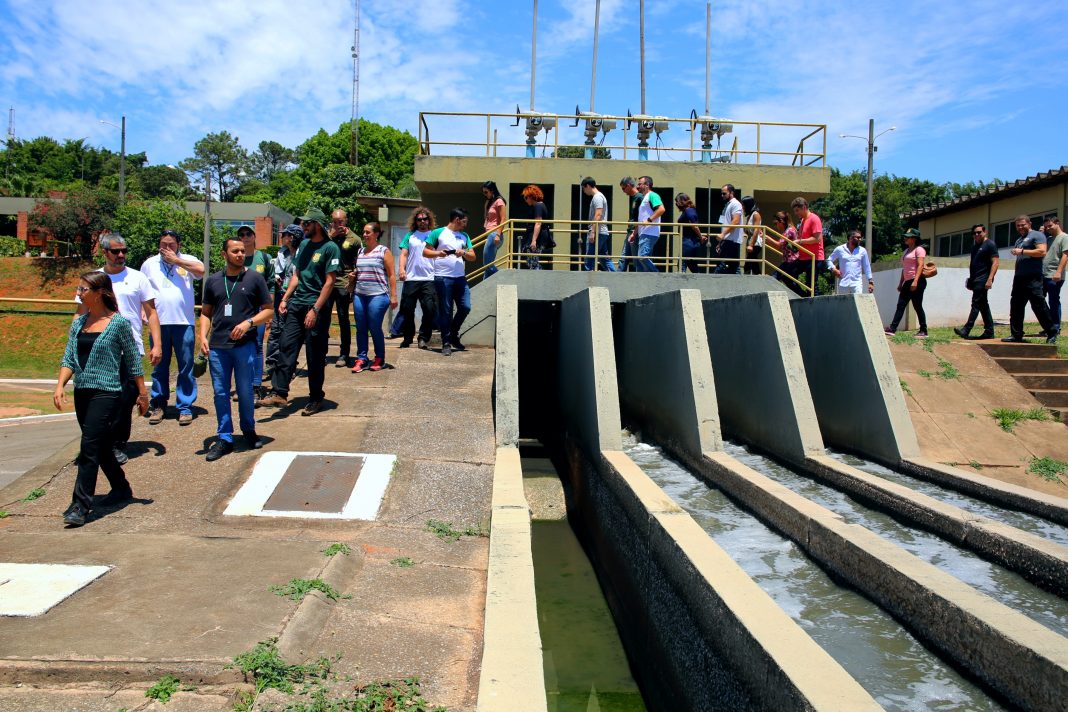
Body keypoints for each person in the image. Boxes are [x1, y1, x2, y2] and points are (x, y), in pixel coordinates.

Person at [54, 271, 148, 527]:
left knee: (88, 447)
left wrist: (142, 393)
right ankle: (121, 487)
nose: (80, 293)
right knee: (101, 444)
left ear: (99, 293)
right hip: (82, 391)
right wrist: (60, 384)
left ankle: (80, 506)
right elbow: (69, 358)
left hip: (107, 392)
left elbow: (132, 360)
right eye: (79, 289)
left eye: (84, 289)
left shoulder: (118, 323)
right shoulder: (78, 323)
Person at [76, 233, 161, 465]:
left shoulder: (138, 278)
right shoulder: (93, 279)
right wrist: (74, 342)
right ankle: (99, 443)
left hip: (129, 347)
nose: (121, 255)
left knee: (125, 399)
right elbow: (81, 312)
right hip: (98, 348)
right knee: (98, 399)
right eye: (115, 251)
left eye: (124, 250)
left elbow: (151, 313)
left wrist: (157, 344)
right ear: (104, 253)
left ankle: (117, 444)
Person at [257, 208, 341, 415]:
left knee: (315, 355)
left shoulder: (331, 248)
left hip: (316, 307)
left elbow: (330, 282)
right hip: (296, 304)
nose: (303, 227)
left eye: (307, 223)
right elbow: (296, 274)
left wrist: (315, 309)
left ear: (317, 225)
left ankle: (315, 397)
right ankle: (279, 393)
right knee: (286, 346)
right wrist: (285, 298)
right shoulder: (303, 244)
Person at [200, 237, 273, 461]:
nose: (240, 254)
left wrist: (248, 323)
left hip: (244, 346)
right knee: (220, 393)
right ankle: (225, 437)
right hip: (219, 347)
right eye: (235, 251)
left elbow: (269, 311)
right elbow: (205, 313)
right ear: (224, 254)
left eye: (242, 251)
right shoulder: (213, 281)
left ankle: (248, 430)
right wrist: (202, 336)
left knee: (244, 392)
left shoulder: (254, 279)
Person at [139, 230, 203, 426]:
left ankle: (185, 406)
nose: (166, 249)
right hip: (158, 323)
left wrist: (177, 261)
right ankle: (158, 404)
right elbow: (142, 289)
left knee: (186, 366)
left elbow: (201, 271)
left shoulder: (187, 260)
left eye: (171, 245)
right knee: (159, 365)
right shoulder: (149, 264)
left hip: (184, 322)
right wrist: (143, 310)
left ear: (178, 245)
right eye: (163, 244)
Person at [425, 208, 475, 356]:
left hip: (460, 278)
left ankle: (453, 333)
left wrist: (464, 252)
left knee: (465, 306)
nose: (465, 225)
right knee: (446, 310)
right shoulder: (438, 233)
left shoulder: (464, 236)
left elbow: (473, 256)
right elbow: (425, 252)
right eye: (464, 222)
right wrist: (438, 253)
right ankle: (446, 342)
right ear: (457, 220)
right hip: (442, 277)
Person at [350, 222, 398, 372]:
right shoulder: (360, 251)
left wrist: (394, 295)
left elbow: (391, 275)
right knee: (361, 328)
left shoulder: (384, 251)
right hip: (359, 294)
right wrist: (353, 275)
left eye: (368, 232)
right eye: (363, 232)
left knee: (374, 326)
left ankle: (379, 358)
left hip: (378, 295)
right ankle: (362, 358)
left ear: (376, 234)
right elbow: (359, 271)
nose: (364, 235)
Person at [1002, 215, 1057, 344]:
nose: (1020, 227)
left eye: (1023, 225)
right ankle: (1016, 335)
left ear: (1029, 224)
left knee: (1038, 305)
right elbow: (1019, 260)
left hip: (1033, 277)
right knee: (1016, 306)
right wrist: (1016, 274)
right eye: (1018, 225)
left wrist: (1022, 251)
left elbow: (1042, 252)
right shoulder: (1019, 240)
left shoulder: (1037, 235)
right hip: (1020, 278)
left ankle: (1051, 332)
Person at [238, 225, 273, 400]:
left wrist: (269, 310)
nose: (245, 237)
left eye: (248, 234)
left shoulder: (263, 258)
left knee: (257, 345)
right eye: (241, 234)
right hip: (241, 308)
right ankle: (243, 385)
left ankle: (256, 385)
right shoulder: (237, 258)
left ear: (254, 236)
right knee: (241, 345)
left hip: (259, 308)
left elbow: (271, 283)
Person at [397, 208, 440, 349]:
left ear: (429, 220)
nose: (422, 221)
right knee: (407, 309)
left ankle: (423, 338)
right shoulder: (410, 235)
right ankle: (407, 337)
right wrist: (402, 270)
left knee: (429, 309)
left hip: (429, 278)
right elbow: (404, 254)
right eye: (419, 219)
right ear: (415, 221)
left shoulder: (434, 235)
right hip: (411, 278)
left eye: (425, 219)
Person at [265, 224, 303, 378]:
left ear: (292, 237)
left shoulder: (302, 254)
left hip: (295, 297)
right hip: (281, 295)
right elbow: (278, 271)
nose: (282, 238)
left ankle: (288, 366)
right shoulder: (283, 253)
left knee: (290, 334)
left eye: (285, 235)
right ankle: (272, 364)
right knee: (276, 330)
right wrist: (276, 277)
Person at [329, 209, 362, 367]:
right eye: (335, 222)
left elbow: (359, 261)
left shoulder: (354, 239)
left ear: (346, 221)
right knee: (323, 317)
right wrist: (332, 236)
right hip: (328, 281)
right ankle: (321, 351)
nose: (337, 225)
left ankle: (344, 353)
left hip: (343, 281)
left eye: (340, 221)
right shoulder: (328, 237)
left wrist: (354, 278)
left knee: (343, 318)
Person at [953, 224, 998, 340]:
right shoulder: (975, 247)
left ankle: (966, 329)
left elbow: (995, 262)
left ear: (985, 232)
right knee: (983, 305)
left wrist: (990, 279)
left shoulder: (990, 245)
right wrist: (971, 279)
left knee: (976, 304)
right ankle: (989, 331)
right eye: (974, 233)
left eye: (979, 232)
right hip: (975, 279)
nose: (977, 235)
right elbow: (973, 264)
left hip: (983, 279)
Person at [885, 228, 929, 337]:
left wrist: (915, 281)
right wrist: (901, 283)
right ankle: (892, 329)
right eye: (905, 236)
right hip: (907, 281)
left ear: (914, 239)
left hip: (917, 281)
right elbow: (905, 269)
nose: (905, 238)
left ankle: (924, 330)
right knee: (901, 305)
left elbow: (920, 265)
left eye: (908, 237)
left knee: (917, 306)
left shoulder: (919, 250)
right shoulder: (905, 252)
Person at [631, 175, 665, 272]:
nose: (638, 186)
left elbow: (661, 209)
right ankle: (647, 278)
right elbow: (641, 219)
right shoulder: (645, 198)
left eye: (640, 184)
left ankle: (656, 275)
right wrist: (635, 233)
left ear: (647, 185)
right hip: (644, 232)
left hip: (650, 232)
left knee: (642, 256)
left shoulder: (652, 195)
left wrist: (649, 220)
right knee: (642, 259)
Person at [580, 177, 615, 272]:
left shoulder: (597, 197)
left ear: (587, 186)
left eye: (583, 188)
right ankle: (615, 277)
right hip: (601, 232)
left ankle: (589, 280)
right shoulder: (599, 196)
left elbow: (598, 214)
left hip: (598, 232)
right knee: (604, 259)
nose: (584, 191)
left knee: (589, 260)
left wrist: (593, 232)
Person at [765, 211, 804, 295]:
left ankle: (803, 295)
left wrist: (767, 238)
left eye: (776, 223)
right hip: (790, 261)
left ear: (781, 221)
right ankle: (802, 295)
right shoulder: (789, 229)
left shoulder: (789, 231)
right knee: (788, 280)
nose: (775, 226)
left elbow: (779, 245)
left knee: (776, 277)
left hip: (791, 261)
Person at [791, 196, 825, 293]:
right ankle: (803, 297)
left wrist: (800, 241)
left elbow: (817, 239)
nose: (796, 213)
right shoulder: (802, 220)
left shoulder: (814, 219)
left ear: (804, 207)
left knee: (812, 285)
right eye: (795, 211)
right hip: (803, 257)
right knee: (790, 274)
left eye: (797, 210)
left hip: (814, 257)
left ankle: (816, 304)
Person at [826, 229, 874, 295]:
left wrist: (870, 281)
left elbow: (867, 266)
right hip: (843, 284)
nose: (860, 239)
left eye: (860, 237)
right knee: (843, 305)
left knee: (857, 304)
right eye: (858, 237)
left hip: (857, 284)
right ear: (850, 238)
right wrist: (833, 269)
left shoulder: (862, 251)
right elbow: (829, 260)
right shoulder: (840, 249)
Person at [1042, 217, 1068, 335]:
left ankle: (1056, 327)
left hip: (1055, 275)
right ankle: (1049, 325)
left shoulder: (1064, 237)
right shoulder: (1048, 239)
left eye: (1050, 226)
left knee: (1053, 301)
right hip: (1043, 274)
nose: (1048, 228)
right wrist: (1041, 233)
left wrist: (1058, 272)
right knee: (1039, 301)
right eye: (1046, 226)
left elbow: (1065, 255)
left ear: (1057, 223)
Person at [521, 184, 552, 270]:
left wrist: (534, 241)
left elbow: (538, 223)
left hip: (538, 238)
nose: (525, 200)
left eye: (526, 197)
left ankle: (538, 280)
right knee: (532, 261)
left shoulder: (538, 206)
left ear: (531, 196)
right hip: (539, 237)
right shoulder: (540, 205)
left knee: (532, 262)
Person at [715, 184, 744, 274]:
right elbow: (725, 222)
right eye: (722, 194)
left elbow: (736, 221)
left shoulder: (735, 204)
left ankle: (713, 282)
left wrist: (723, 234)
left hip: (732, 240)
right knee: (734, 266)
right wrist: (720, 242)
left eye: (724, 193)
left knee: (721, 265)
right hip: (727, 240)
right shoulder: (728, 205)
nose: (722, 195)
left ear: (731, 193)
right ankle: (740, 285)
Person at [481, 181, 507, 277]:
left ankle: (502, 277)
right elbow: (487, 219)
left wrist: (497, 235)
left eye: (486, 192)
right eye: (483, 192)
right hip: (490, 235)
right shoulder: (490, 202)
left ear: (492, 191)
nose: (485, 194)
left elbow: (503, 218)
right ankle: (485, 287)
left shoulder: (499, 201)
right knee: (488, 266)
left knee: (487, 264)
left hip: (494, 234)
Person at [675, 193, 705, 273]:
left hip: (689, 241)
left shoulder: (689, 211)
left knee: (682, 263)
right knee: (692, 265)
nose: (676, 204)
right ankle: (700, 281)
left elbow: (694, 225)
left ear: (682, 201)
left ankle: (680, 282)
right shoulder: (688, 210)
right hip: (691, 241)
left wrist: (701, 236)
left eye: (677, 202)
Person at [617, 177, 641, 271]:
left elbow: (641, 217)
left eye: (624, 188)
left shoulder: (639, 197)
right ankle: (619, 275)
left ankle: (638, 277)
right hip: (630, 230)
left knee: (635, 258)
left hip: (635, 231)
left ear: (629, 186)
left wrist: (634, 232)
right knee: (623, 258)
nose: (623, 191)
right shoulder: (634, 198)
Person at [741, 196, 764, 275]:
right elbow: (746, 231)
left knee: (747, 265)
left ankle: (745, 283)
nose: (742, 207)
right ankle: (761, 279)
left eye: (743, 205)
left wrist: (751, 245)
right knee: (754, 265)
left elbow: (756, 230)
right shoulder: (749, 216)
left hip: (755, 243)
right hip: (751, 242)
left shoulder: (756, 215)